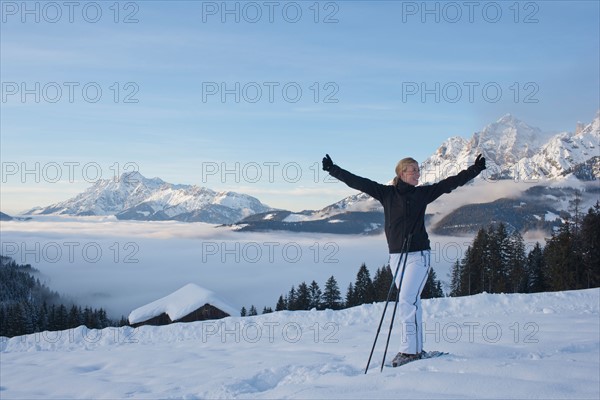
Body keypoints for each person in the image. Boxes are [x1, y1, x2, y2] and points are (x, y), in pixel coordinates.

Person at [322, 153, 486, 367]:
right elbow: (358, 182)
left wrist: (475, 169)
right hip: (396, 256)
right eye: (414, 170)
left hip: (419, 256)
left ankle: (408, 351)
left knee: (407, 300)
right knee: (412, 302)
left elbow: (450, 183)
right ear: (401, 173)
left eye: (419, 170)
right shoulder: (386, 193)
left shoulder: (423, 194)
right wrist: (333, 169)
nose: (418, 173)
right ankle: (416, 349)